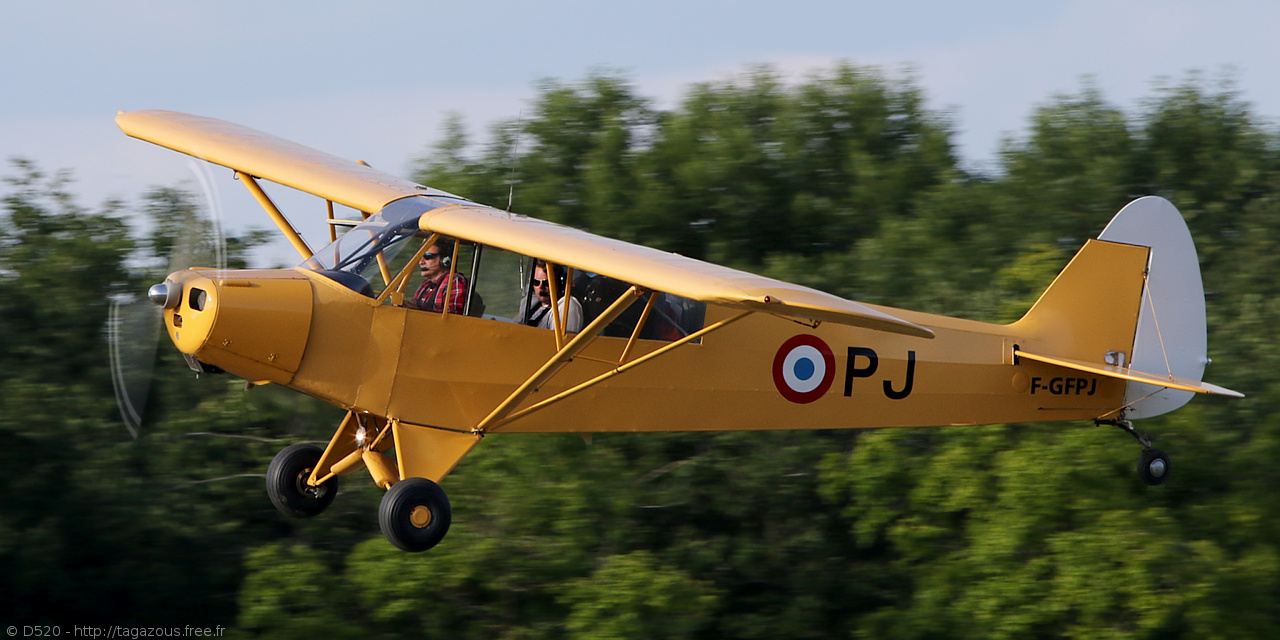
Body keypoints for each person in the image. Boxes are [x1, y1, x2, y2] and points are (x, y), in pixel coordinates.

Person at [406, 238, 469, 315]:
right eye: (420, 257)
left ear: (445, 260)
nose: (421, 262)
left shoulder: (454, 281)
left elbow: (453, 318)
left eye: (428, 256)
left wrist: (419, 311)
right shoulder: (425, 284)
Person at [519, 260, 584, 332]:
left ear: (559, 283)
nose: (541, 287)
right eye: (536, 282)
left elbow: (562, 341)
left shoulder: (566, 306)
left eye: (547, 283)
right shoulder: (530, 302)